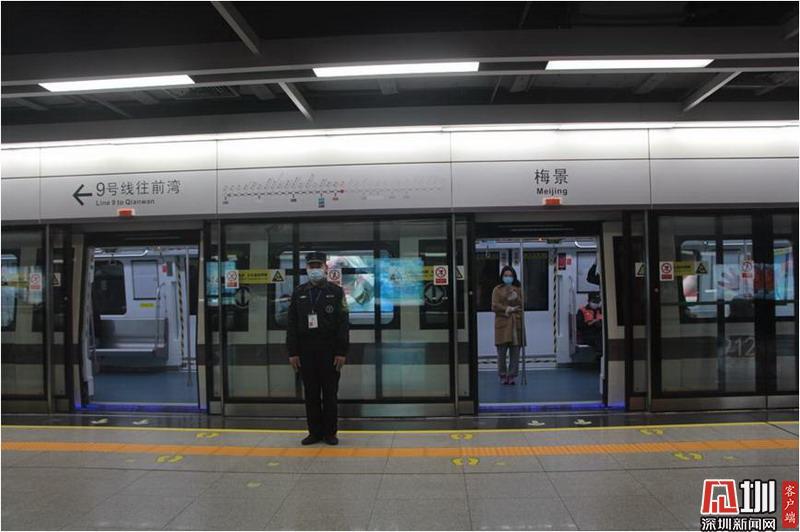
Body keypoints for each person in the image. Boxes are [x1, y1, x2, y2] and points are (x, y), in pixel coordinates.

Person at [287, 252, 349, 446]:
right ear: (307, 269)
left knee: (330, 394)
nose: (315, 270)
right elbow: (291, 323)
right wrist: (292, 352)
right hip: (306, 351)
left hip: (329, 351)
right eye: (311, 266)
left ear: (325, 268)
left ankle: (330, 433)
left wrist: (341, 352)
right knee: (311, 394)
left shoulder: (336, 292)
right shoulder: (299, 292)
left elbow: (343, 324)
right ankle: (314, 432)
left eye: (318, 266)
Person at [491, 266, 525, 385]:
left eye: (510, 276)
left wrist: (517, 297)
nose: (508, 278)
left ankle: (512, 375)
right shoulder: (497, 289)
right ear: (502, 277)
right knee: (501, 352)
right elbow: (494, 306)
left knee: (515, 352)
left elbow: (523, 305)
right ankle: (502, 375)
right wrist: (507, 309)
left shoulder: (518, 289)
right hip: (503, 323)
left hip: (516, 323)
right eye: (506, 275)